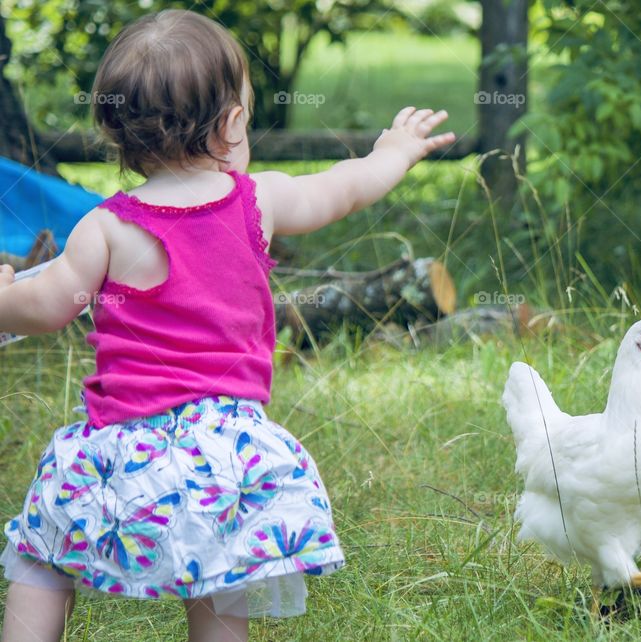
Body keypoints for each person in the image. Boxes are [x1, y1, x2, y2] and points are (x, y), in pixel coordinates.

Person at [0, 9, 454, 641]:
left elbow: (48, 305)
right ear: (234, 122)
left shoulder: (106, 226)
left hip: (122, 454)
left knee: (40, 551)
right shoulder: (258, 201)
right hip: (227, 459)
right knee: (219, 581)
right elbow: (343, 188)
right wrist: (393, 152)